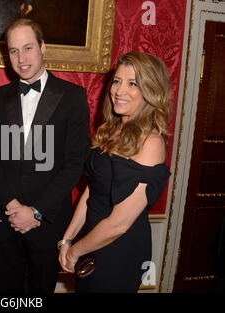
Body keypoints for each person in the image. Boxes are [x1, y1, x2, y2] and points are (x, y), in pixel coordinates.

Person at [0, 18, 90, 293]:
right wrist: (13, 206)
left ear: (43, 47)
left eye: (28, 48)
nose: (21, 58)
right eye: (14, 51)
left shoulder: (73, 96)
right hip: (7, 220)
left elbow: (74, 165)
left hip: (49, 222)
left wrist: (36, 211)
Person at [58, 51, 172, 293]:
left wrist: (76, 250)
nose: (119, 91)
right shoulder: (111, 129)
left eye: (132, 84)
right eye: (117, 81)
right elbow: (92, 189)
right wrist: (68, 239)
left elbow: (120, 224)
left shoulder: (151, 142)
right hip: (91, 240)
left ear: (151, 91)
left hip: (120, 250)